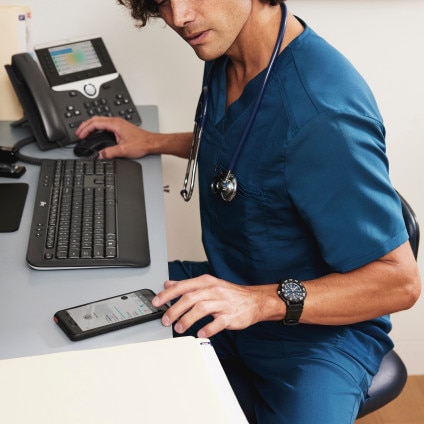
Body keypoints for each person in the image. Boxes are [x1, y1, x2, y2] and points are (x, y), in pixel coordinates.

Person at [76, 1, 421, 422]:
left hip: (318, 336)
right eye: (163, 1)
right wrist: (153, 141)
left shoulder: (324, 114)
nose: (178, 17)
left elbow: (399, 282)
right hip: (231, 288)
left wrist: (259, 302)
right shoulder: (227, 53)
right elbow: (247, 148)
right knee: (83, 299)